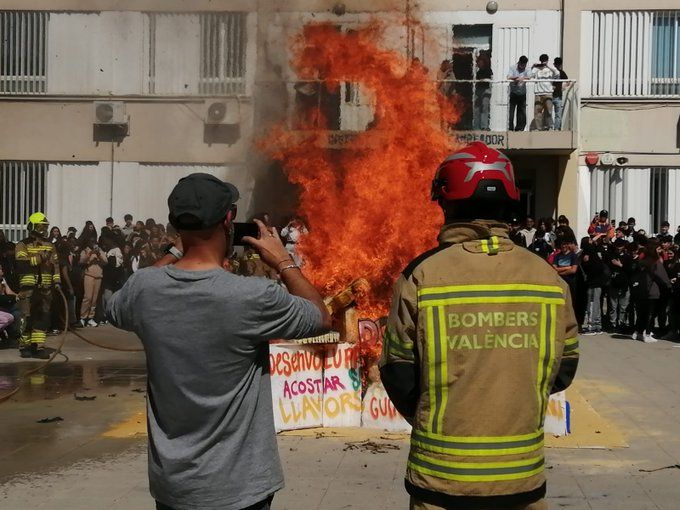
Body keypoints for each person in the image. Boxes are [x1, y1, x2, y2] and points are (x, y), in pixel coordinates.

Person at [106, 173, 331, 510]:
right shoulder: (253, 296)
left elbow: (117, 304)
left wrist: (175, 250)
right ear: (229, 220)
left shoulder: (144, 289)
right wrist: (283, 261)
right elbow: (320, 316)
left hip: (174, 489)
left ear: (175, 223)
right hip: (241, 490)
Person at [380, 142, 578, 510]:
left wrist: (437, 416)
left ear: (446, 202)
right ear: (509, 203)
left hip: (440, 481)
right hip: (522, 480)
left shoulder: (421, 275)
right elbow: (564, 368)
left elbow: (397, 372)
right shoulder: (547, 277)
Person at [14, 212, 61, 359]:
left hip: (45, 289)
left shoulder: (50, 245)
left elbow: (56, 266)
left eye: (45, 226)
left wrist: (57, 281)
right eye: (40, 226)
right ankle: (25, 346)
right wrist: (40, 257)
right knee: (26, 318)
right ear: (32, 227)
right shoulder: (22, 245)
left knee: (42, 318)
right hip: (28, 289)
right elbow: (22, 264)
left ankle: (38, 347)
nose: (43, 229)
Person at [630, 242, 671, 342]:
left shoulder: (641, 261)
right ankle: (647, 334)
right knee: (650, 313)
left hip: (640, 290)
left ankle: (638, 332)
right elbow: (663, 277)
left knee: (641, 313)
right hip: (652, 290)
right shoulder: (655, 262)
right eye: (658, 249)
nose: (660, 251)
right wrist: (669, 286)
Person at [580, 234, 609, 335]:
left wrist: (600, 235)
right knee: (595, 304)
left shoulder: (589, 253)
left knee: (592, 304)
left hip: (594, 283)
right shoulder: (588, 253)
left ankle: (592, 326)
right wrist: (600, 234)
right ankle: (597, 326)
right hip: (595, 283)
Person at [606, 239, 633, 333]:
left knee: (623, 307)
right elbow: (608, 267)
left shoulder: (628, 257)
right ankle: (612, 324)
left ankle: (621, 323)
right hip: (614, 283)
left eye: (620, 246)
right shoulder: (611, 255)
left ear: (624, 247)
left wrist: (620, 265)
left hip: (624, 284)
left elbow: (630, 270)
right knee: (613, 306)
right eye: (617, 246)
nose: (618, 248)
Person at [79, 238, 107, 327]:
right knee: (88, 297)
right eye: (91, 242)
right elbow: (81, 261)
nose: (93, 244)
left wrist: (99, 254)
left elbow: (106, 262)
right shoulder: (85, 251)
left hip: (98, 276)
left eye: (94, 242)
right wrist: (90, 254)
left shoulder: (100, 251)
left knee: (94, 299)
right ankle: (83, 317)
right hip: (89, 275)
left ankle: (90, 317)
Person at [530, 54, 557, 131]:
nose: (543, 62)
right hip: (538, 93)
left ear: (547, 61)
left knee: (549, 111)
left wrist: (547, 66)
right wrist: (533, 67)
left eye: (545, 60)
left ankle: (549, 126)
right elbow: (529, 75)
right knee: (537, 111)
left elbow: (557, 73)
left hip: (548, 92)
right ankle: (539, 128)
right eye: (542, 61)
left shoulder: (550, 69)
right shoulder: (536, 69)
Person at [508, 56, 529, 131]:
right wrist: (515, 78)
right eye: (521, 65)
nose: (522, 67)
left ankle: (519, 128)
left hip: (522, 93)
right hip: (513, 93)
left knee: (521, 112)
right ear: (519, 62)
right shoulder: (513, 67)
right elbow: (509, 76)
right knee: (511, 111)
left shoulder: (527, 68)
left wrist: (523, 78)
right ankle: (510, 128)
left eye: (524, 65)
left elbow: (529, 76)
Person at [473, 51, 492, 131]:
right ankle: (476, 127)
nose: (479, 64)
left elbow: (489, 79)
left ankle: (484, 126)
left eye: (480, 62)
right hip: (478, 90)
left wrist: (482, 80)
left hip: (485, 90)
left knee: (484, 108)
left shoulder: (488, 70)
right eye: (478, 63)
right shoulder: (478, 72)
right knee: (477, 109)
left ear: (483, 62)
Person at [552, 57, 569, 130]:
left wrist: (563, 87)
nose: (558, 66)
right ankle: (554, 129)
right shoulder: (551, 72)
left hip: (556, 95)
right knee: (556, 114)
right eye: (558, 64)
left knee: (556, 114)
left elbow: (568, 81)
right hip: (552, 95)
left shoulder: (561, 72)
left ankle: (555, 128)